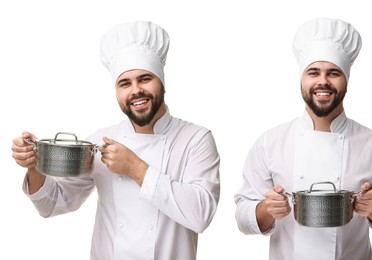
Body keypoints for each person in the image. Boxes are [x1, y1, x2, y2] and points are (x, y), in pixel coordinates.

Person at [10, 21, 221, 259]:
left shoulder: (196, 139)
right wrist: (35, 166)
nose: (135, 91)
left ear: (161, 82)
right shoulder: (100, 141)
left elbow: (201, 215)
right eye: (125, 83)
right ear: (117, 92)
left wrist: (134, 167)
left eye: (144, 79)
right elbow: (53, 204)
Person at [234, 17, 372, 259]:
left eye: (333, 73)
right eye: (313, 72)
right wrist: (266, 209)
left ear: (346, 80)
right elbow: (242, 218)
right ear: (302, 79)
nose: (323, 81)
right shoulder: (270, 142)